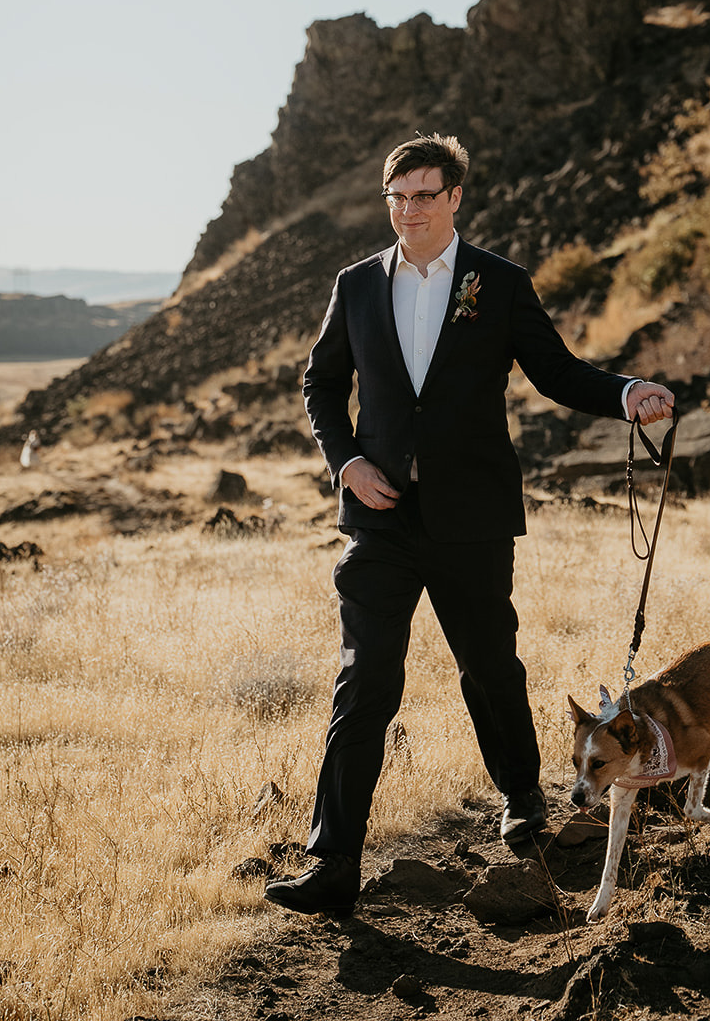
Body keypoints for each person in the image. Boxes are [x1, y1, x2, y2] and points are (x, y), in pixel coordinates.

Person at [263, 133, 674, 916]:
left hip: (472, 519)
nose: (407, 209)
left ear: (455, 198)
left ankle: (521, 795)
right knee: (365, 679)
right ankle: (333, 862)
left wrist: (625, 394)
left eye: (423, 194)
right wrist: (346, 462)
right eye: (396, 196)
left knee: (490, 666)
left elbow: (555, 372)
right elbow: (320, 383)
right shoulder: (355, 285)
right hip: (379, 519)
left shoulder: (499, 282)